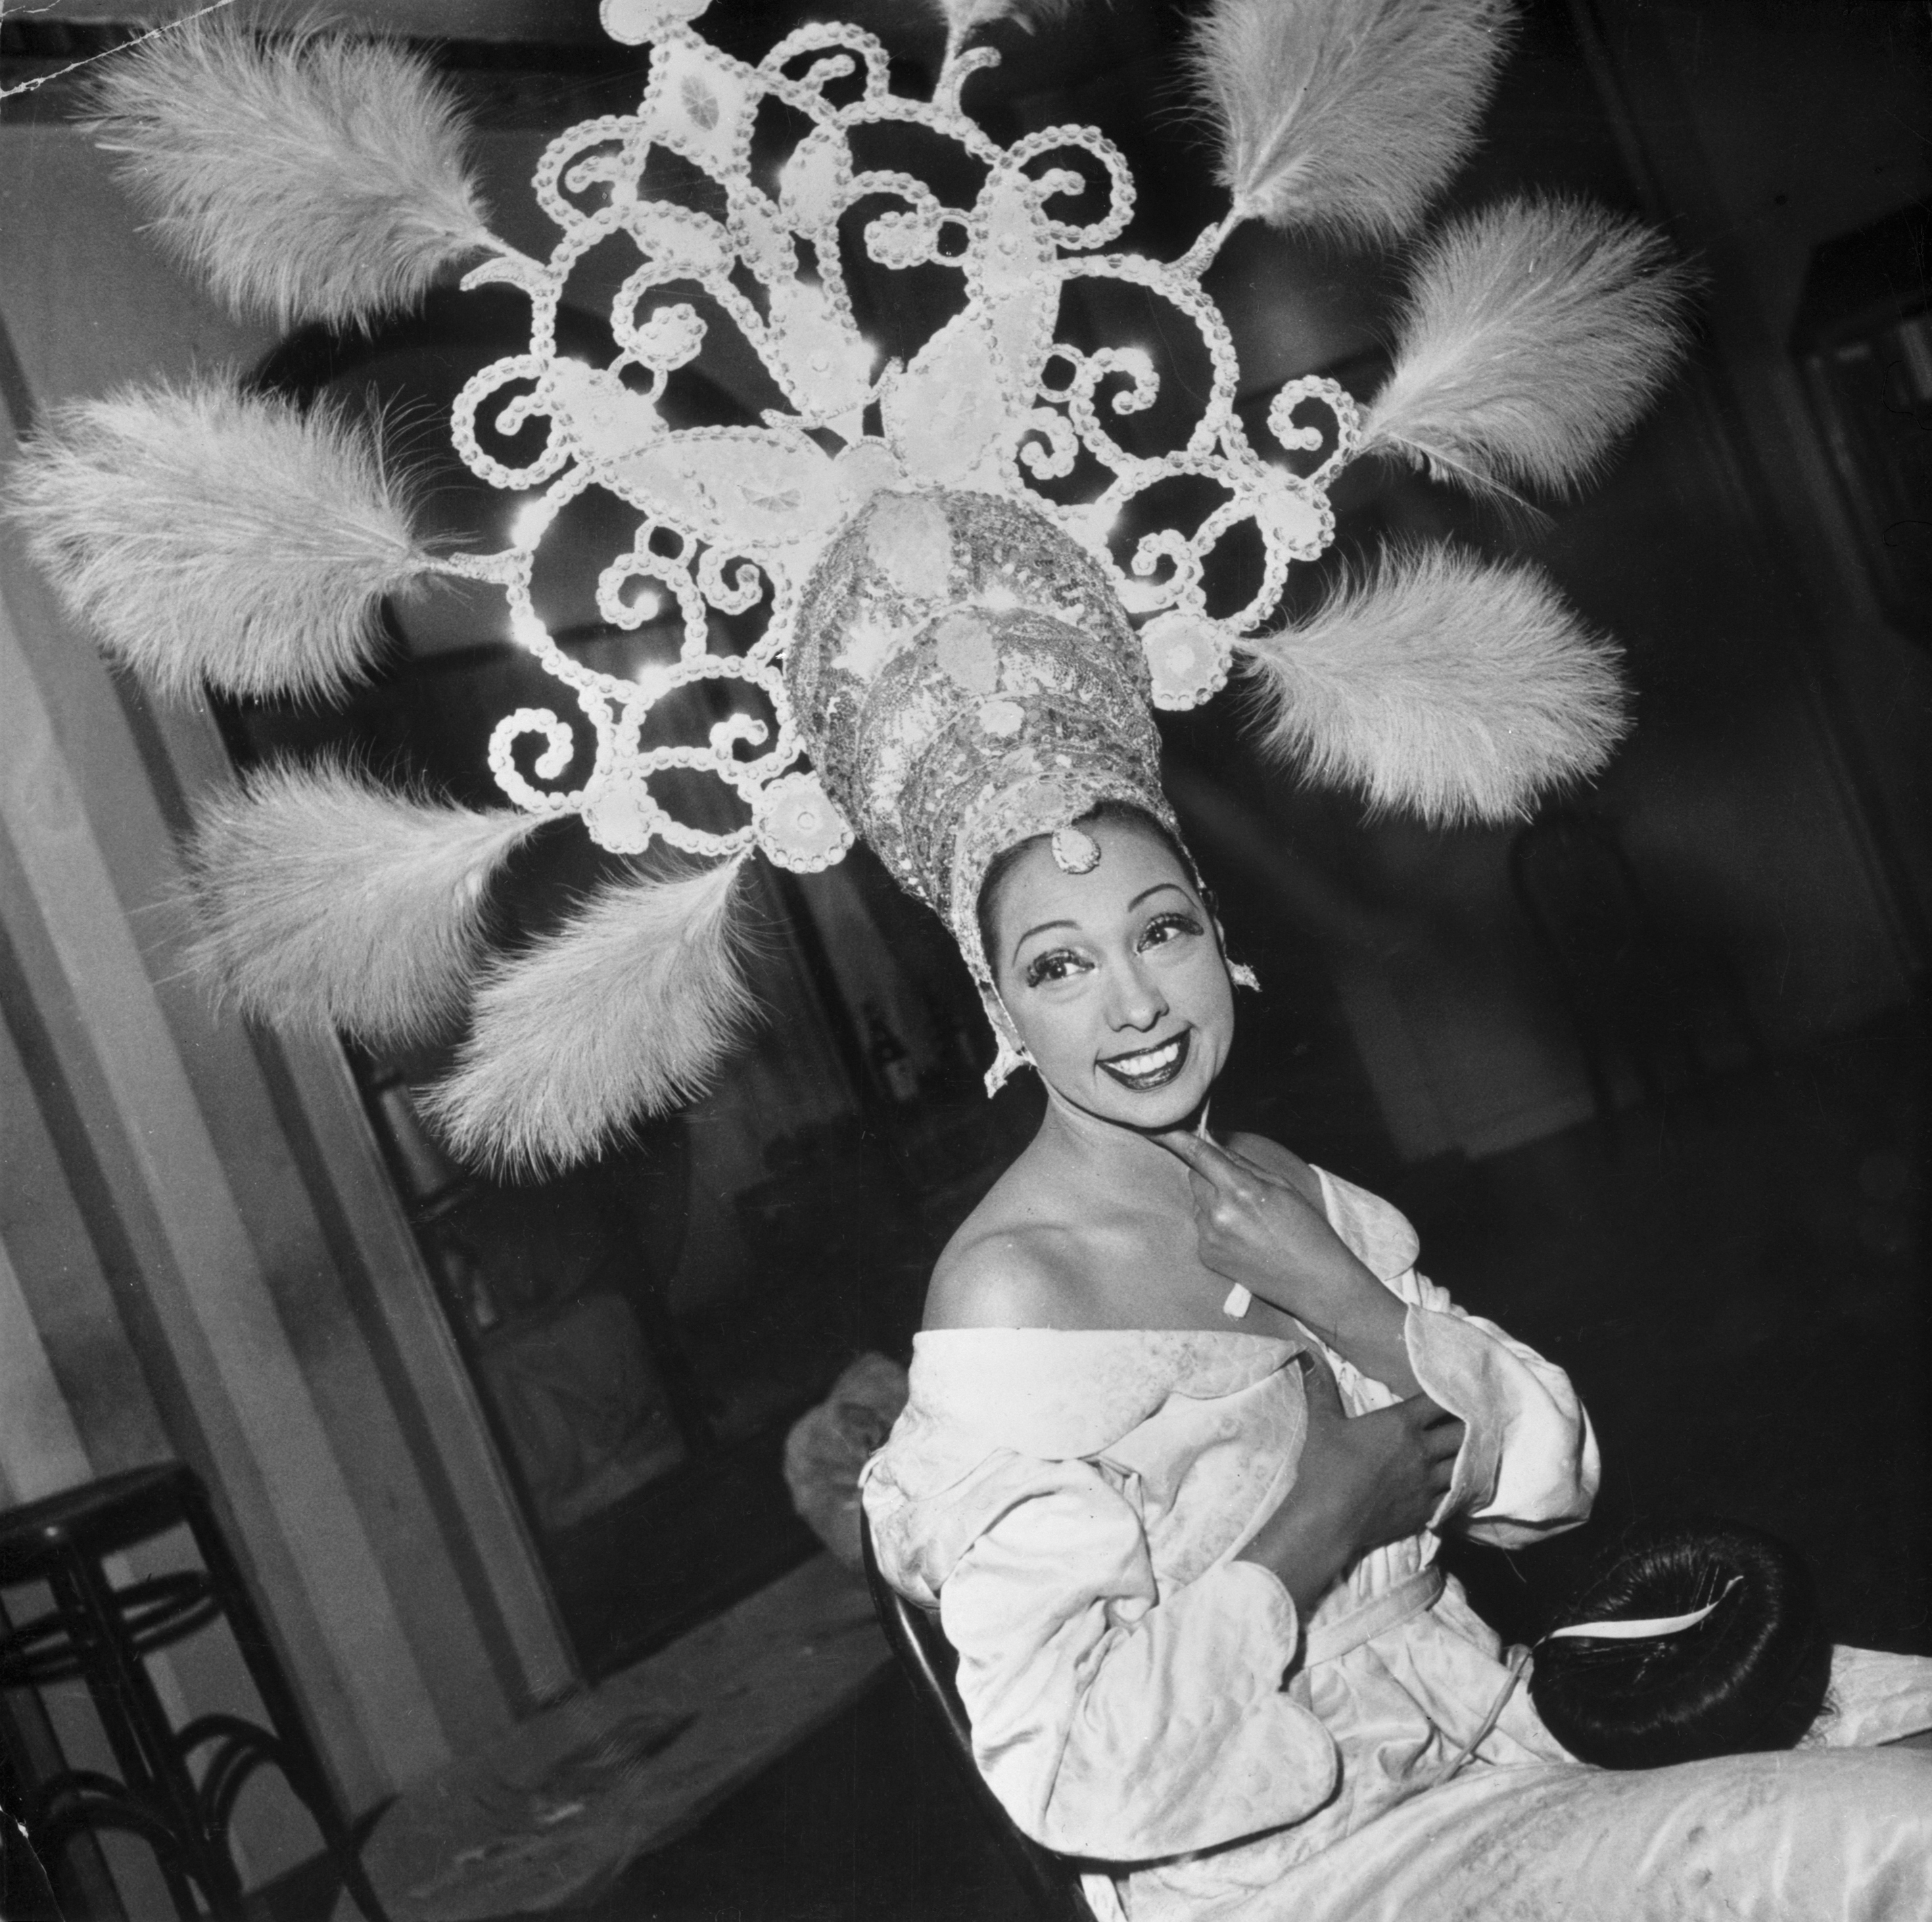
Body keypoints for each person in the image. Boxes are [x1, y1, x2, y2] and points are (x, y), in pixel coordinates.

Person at [860, 799, 1932, 1922]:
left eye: (1160, 931)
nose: (1135, 1005)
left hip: (1486, 1725)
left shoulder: (1285, 1187)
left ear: (1216, 930)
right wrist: (1313, 1524)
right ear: (1000, 1005)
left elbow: (1549, 1490)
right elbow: (1071, 1767)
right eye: (1060, 965)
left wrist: (1345, 1295)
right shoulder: (1012, 1291)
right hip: (1292, 1864)